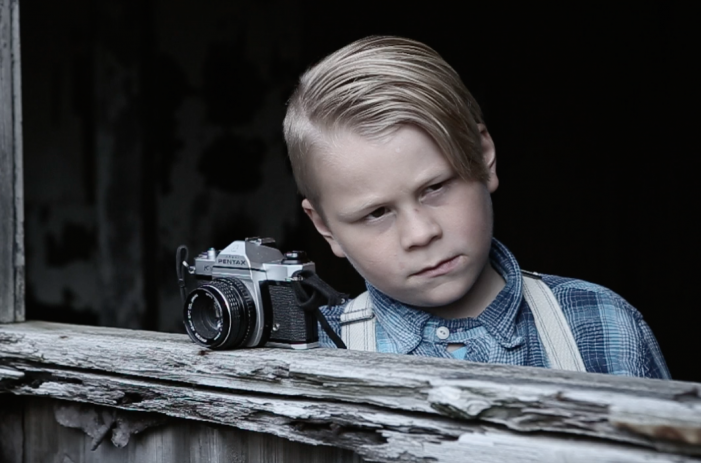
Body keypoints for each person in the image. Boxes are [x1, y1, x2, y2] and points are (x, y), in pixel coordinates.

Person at [282, 35, 670, 379]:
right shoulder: (312, 356)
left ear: (483, 157)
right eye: (376, 213)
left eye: (435, 187)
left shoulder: (604, 325)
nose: (420, 234)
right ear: (326, 228)